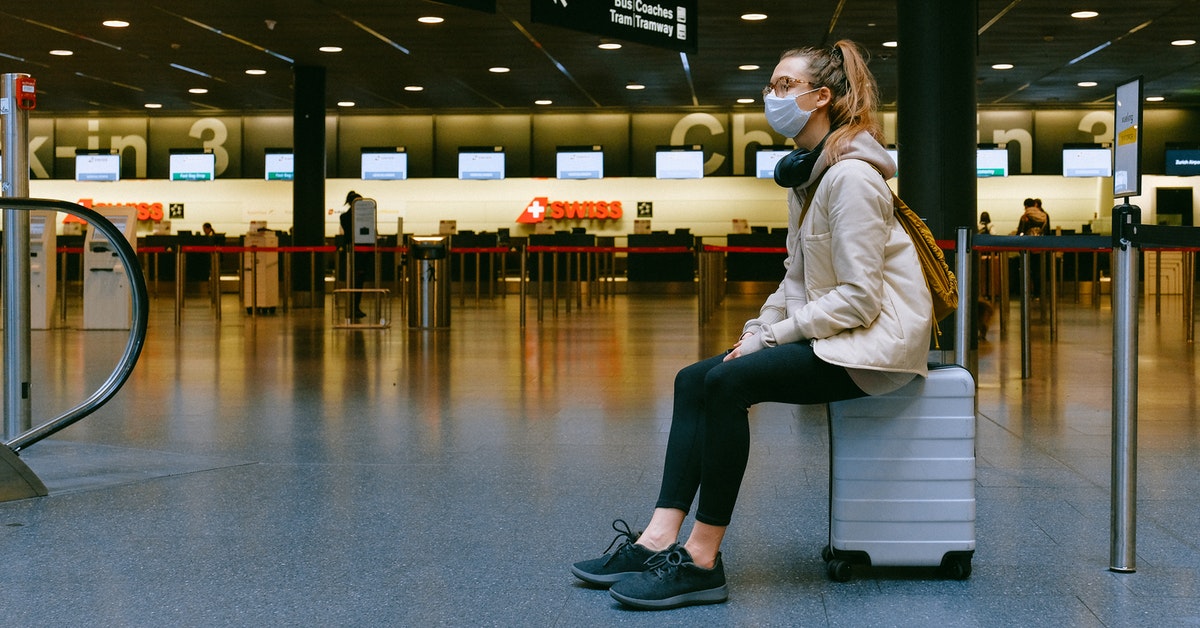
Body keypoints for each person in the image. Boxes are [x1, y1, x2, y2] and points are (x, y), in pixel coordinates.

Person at [570, 40, 933, 610]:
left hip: (872, 349)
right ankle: (657, 537)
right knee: (695, 378)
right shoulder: (811, 178)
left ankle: (701, 559)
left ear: (822, 98)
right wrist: (756, 332)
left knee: (727, 383)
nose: (772, 95)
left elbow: (861, 300)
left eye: (784, 85)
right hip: (835, 336)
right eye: (771, 84)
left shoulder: (852, 179)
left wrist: (775, 338)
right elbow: (796, 277)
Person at [340, 191, 368, 318]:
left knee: (357, 281)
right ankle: (353, 307)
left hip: (356, 252)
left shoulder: (346, 217)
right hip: (355, 253)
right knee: (356, 281)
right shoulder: (348, 217)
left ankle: (355, 306)